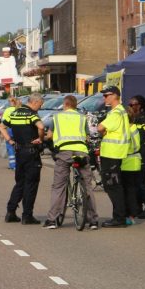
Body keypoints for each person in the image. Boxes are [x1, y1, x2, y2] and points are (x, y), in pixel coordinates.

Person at [43, 95, 98, 230]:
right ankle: (93, 221)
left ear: (65, 104)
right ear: (75, 105)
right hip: (81, 152)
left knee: (59, 186)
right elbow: (86, 137)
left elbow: (49, 136)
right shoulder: (82, 118)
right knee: (87, 185)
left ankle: (52, 220)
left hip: (64, 153)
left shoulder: (56, 117)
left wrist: (43, 140)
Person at [0, 93, 44, 224]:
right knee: (31, 184)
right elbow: (41, 127)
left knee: (20, 182)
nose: (40, 108)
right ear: (35, 102)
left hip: (19, 151)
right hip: (31, 152)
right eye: (40, 105)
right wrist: (40, 139)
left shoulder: (15, 113)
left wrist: (10, 140)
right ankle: (27, 215)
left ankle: (11, 212)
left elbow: (1, 127)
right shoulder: (31, 114)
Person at [96, 85, 130, 228]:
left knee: (112, 186)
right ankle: (119, 216)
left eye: (107, 95)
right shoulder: (118, 112)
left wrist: (102, 130)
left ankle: (119, 218)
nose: (105, 98)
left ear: (115, 95)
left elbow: (100, 128)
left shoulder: (116, 113)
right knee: (113, 185)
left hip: (112, 153)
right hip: (113, 153)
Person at [121, 106, 143, 226]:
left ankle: (129, 215)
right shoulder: (134, 127)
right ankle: (133, 214)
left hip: (126, 162)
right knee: (133, 190)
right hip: (135, 162)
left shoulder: (126, 129)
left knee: (127, 191)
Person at [0, 97, 21, 170]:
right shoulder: (19, 109)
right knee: (19, 146)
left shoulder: (7, 110)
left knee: (10, 147)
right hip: (19, 130)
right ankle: (19, 163)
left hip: (10, 130)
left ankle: (12, 165)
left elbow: (3, 122)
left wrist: (2, 133)